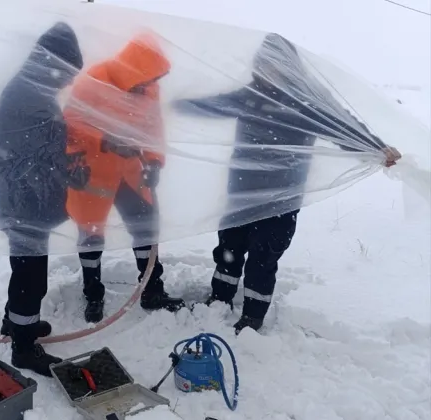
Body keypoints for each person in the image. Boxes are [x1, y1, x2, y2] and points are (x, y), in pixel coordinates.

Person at [171, 33, 402, 334]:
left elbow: (343, 126)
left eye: (275, 66)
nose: (269, 72)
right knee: (229, 250)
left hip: (281, 198)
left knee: (262, 261)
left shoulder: (306, 103)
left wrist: (376, 147)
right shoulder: (251, 95)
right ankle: (219, 300)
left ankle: (252, 318)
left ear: (290, 67)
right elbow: (214, 106)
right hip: (241, 191)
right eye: (264, 65)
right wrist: (175, 104)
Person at [63, 33, 186, 323]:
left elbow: (153, 128)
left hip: (131, 173)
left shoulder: (149, 88)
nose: (148, 86)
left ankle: (152, 290)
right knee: (91, 234)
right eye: (145, 80)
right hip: (94, 172)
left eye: (151, 81)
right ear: (133, 70)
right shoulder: (93, 82)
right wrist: (104, 141)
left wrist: (155, 162)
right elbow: (70, 125)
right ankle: (93, 294)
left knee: (146, 229)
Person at [0, 22, 89, 376]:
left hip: (23, 200)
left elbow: (45, 147)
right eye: (68, 73)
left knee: (24, 269)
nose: (69, 82)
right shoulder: (29, 96)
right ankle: (23, 347)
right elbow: (37, 154)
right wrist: (69, 169)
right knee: (31, 278)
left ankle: (15, 323)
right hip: (24, 203)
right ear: (55, 63)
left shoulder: (30, 89)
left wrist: (67, 166)